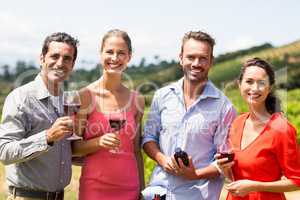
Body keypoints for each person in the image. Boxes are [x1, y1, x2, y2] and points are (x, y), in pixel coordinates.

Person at [142, 31, 237, 200]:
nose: (196, 63)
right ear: (181, 58)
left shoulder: (224, 107)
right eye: (191, 57)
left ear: (211, 62)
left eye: (202, 58)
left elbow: (225, 162)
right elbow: (149, 138)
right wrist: (162, 159)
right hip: (159, 193)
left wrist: (195, 174)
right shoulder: (162, 96)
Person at [0, 32, 79, 200]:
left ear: (72, 64)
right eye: (55, 56)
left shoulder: (66, 101)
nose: (60, 63)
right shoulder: (21, 98)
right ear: (42, 58)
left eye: (67, 58)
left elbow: (63, 154)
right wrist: (48, 136)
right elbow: (4, 152)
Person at [72, 29, 145, 200]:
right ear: (100, 54)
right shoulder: (85, 96)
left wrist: (142, 190)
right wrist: (99, 142)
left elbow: (135, 151)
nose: (114, 58)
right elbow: (74, 148)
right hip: (95, 188)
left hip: (130, 187)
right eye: (110, 52)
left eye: (121, 53)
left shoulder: (137, 100)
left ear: (129, 57)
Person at [216, 57, 300, 200]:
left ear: (270, 87)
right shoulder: (236, 123)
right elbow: (237, 177)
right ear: (239, 84)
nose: (255, 88)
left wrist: (256, 186)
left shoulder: (281, 129)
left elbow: (297, 181)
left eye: (261, 83)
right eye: (249, 81)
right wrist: (225, 169)